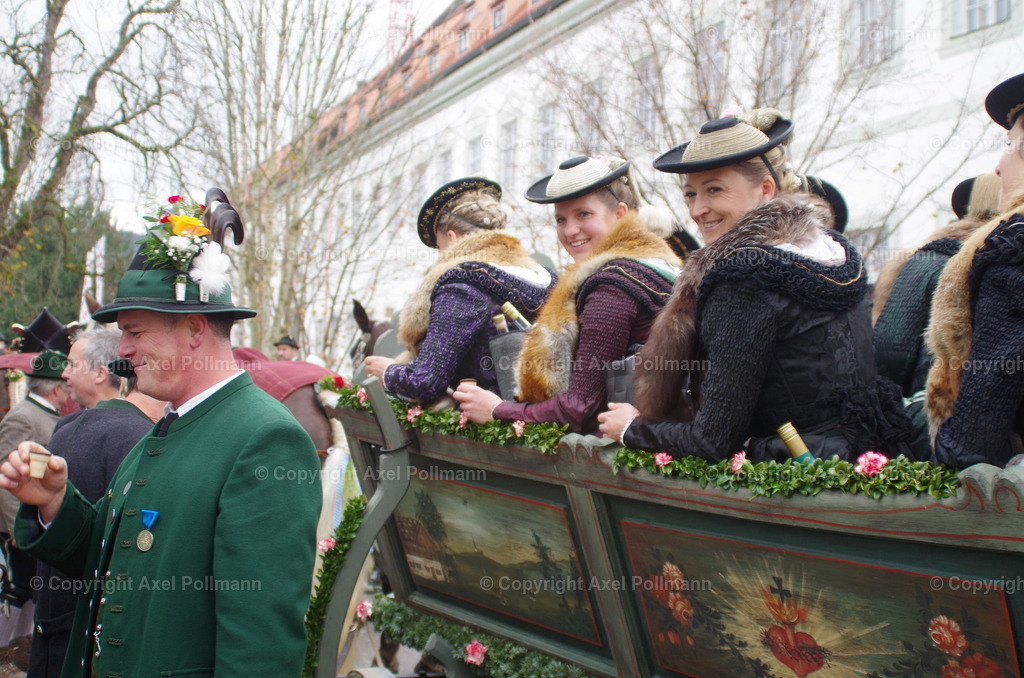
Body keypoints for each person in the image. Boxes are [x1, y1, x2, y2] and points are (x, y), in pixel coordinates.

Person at [0, 193, 321, 677]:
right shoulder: (169, 425)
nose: (123, 351)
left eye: (134, 332)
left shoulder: (265, 439)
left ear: (193, 329)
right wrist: (54, 503)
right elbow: (116, 565)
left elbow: (260, 651)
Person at [597, 110, 917, 461]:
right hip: (870, 456)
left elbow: (712, 439)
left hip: (799, 477)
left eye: (714, 189)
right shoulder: (832, 248)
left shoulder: (743, 278)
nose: (698, 209)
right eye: (690, 194)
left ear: (766, 189)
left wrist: (631, 427)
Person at [454, 156, 682, 432]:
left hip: (615, 461)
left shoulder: (612, 286)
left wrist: (496, 409)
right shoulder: (658, 266)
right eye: (561, 219)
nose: (570, 231)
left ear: (620, 214)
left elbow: (580, 408)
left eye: (584, 214)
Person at [29, 329, 157, 678]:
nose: (64, 374)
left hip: (66, 629)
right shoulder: (138, 436)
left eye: (72, 364)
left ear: (104, 372)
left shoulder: (74, 426)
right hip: (89, 632)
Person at [364, 177, 555, 401]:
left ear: (452, 238)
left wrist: (387, 371)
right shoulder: (547, 279)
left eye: (439, 246)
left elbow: (424, 382)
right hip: (542, 420)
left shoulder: (462, 287)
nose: (439, 256)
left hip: (483, 426)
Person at [926, 73, 1024, 468]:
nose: (998, 167)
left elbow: (976, 434)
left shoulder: (1013, 248)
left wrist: (949, 457)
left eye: (1010, 144)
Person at [872, 174, 1000, 436]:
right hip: (965, 421)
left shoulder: (927, 259)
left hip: (926, 419)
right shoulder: (957, 258)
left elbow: (888, 350)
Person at [0, 350, 68, 647]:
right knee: (18, 587)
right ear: (55, 388)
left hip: (35, 520)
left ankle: (20, 644)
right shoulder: (23, 417)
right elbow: (5, 477)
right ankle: (5, 647)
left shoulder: (45, 414)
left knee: (30, 587)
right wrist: (18, 527)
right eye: (65, 383)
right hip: (20, 526)